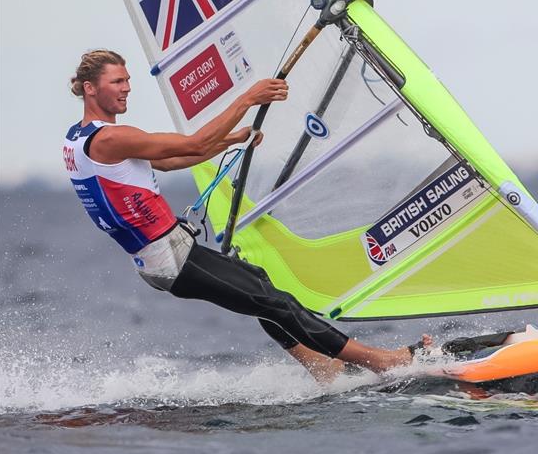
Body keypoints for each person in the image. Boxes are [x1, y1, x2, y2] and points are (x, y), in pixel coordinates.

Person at [64, 49, 429, 382]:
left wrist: (231, 139)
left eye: (128, 80)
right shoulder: (111, 139)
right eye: (117, 82)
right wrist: (248, 99)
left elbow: (169, 160)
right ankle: (380, 361)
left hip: (162, 257)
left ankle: (322, 365)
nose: (127, 88)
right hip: (170, 258)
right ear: (89, 89)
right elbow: (193, 144)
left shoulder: (79, 138)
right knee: (276, 303)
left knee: (260, 283)